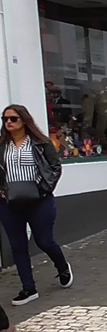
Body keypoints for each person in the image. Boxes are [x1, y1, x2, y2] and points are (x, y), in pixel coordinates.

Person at [0, 105, 72, 306]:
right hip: (8, 202)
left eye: (13, 118)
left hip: (39, 200)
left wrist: (45, 189)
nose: (8, 123)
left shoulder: (40, 143)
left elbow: (55, 167)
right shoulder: (1, 145)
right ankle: (28, 288)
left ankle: (62, 266)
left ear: (24, 120)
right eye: (5, 119)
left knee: (44, 241)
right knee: (18, 246)